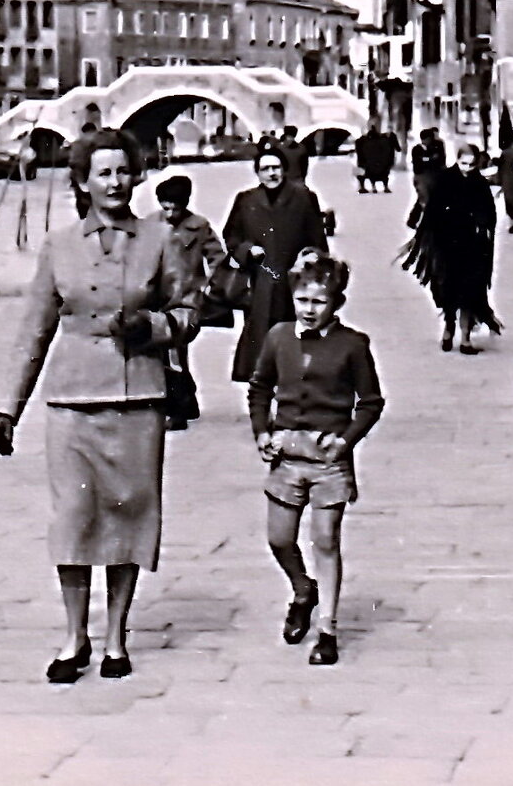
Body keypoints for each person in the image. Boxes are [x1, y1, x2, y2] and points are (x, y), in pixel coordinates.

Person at [0, 128, 199, 683]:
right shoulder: (58, 246)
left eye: (122, 171)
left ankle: (115, 638)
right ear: (82, 181)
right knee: (73, 518)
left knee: (131, 512)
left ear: (136, 176)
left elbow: (190, 313)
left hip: (138, 398)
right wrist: (8, 408)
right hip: (72, 399)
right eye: (101, 172)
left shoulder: (161, 240)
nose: (114, 182)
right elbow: (33, 330)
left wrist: (152, 327)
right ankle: (73, 636)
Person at [248, 249, 384, 667]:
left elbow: (371, 402)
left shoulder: (353, 345)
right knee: (279, 538)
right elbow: (259, 387)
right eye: (302, 300)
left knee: (326, 540)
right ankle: (302, 589)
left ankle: (327, 627)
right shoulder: (278, 338)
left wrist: (346, 441)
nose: (309, 310)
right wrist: (262, 431)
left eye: (319, 301)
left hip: (328, 459)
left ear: (336, 302)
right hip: (287, 456)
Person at [223, 146, 330, 383]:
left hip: (294, 286)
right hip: (260, 285)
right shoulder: (246, 200)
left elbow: (318, 243)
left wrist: (309, 257)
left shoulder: (303, 197)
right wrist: (247, 249)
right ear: (257, 173)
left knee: (297, 342)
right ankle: (263, 396)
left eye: (276, 168)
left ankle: (295, 395)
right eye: (265, 169)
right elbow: (231, 237)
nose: (272, 174)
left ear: (284, 170)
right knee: (260, 345)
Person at [401, 145, 501, 354]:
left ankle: (465, 339)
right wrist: (427, 236)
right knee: (448, 290)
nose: (467, 168)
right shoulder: (445, 179)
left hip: (473, 245)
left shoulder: (479, 183)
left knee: (471, 292)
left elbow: (489, 213)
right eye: (464, 163)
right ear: (457, 160)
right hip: (446, 245)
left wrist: (482, 225)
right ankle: (448, 329)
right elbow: (432, 211)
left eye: (472, 164)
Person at [155, 174, 226, 429]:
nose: (170, 212)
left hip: (187, 302)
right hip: (158, 300)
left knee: (173, 353)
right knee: (172, 355)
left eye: (175, 207)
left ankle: (178, 412)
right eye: (165, 206)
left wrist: (210, 288)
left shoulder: (199, 226)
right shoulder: (151, 224)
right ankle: (189, 401)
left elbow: (218, 258)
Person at [352, 126, 398, 195]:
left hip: (369, 171)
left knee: (361, 169)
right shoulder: (384, 142)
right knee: (380, 165)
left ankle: (363, 187)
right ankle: (385, 186)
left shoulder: (364, 143)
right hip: (383, 171)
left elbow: (361, 160)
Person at [409, 128, 447, 212]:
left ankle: (414, 219)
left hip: (433, 176)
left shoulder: (437, 146)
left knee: (428, 199)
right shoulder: (417, 149)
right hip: (421, 176)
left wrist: (427, 159)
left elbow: (440, 158)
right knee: (425, 199)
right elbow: (418, 160)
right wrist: (429, 159)